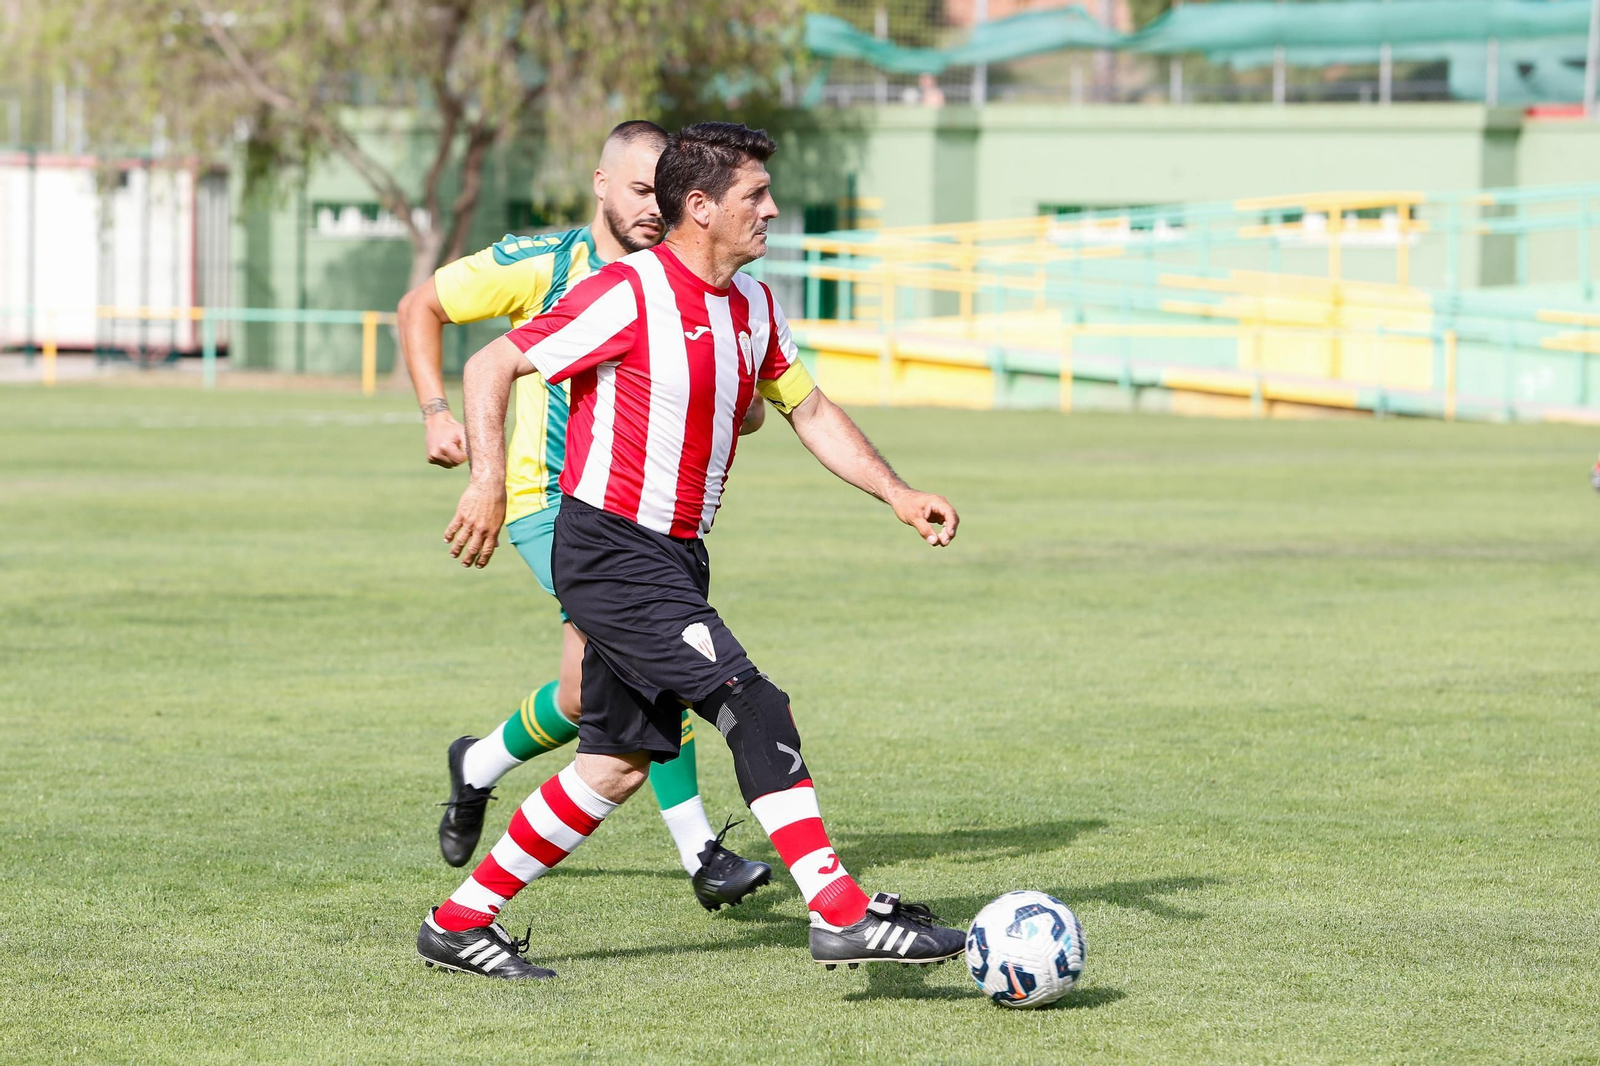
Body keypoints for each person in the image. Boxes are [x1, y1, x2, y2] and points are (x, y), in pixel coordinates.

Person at [416, 121, 967, 980]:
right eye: (755, 195)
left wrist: (897, 491)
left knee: (613, 766)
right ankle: (840, 911)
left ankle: (458, 922)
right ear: (700, 207)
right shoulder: (628, 293)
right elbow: (492, 365)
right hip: (609, 551)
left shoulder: (754, 306)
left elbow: (810, 411)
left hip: (674, 556)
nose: (773, 209)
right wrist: (489, 481)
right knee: (753, 701)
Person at [396, 119, 770, 912]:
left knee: (583, 694)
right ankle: (701, 851)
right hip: (548, 505)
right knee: (663, 657)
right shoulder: (546, 264)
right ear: (601, 185)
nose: (650, 208)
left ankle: (480, 764)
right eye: (637, 190)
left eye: (659, 192)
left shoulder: (691, 281)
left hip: (646, 513)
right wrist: (437, 414)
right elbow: (420, 307)